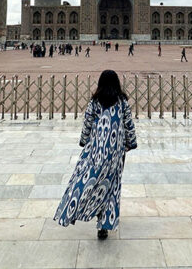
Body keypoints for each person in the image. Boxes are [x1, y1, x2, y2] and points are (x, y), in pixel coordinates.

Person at [54, 70, 137, 239]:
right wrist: (130, 143)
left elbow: (87, 123)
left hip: (97, 150)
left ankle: (78, 205)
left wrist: (84, 141)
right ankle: (105, 223)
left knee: (91, 180)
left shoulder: (95, 101)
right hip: (116, 151)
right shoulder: (122, 102)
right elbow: (128, 124)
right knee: (112, 186)